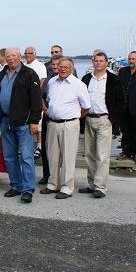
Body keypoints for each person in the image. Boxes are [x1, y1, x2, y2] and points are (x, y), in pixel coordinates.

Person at [0, 47, 42, 203]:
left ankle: (27, 189)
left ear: (20, 56)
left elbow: (36, 99)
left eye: (13, 56)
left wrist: (34, 121)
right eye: (8, 56)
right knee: (9, 157)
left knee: (26, 157)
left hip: (23, 123)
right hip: (5, 121)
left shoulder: (29, 74)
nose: (10, 58)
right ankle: (15, 185)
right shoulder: (2, 73)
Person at [42, 57, 91, 199]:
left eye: (66, 67)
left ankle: (67, 187)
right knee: (52, 156)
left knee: (68, 157)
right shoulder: (51, 82)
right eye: (60, 66)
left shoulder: (78, 84)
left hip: (69, 124)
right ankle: (53, 184)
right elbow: (48, 100)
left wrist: (74, 117)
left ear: (71, 68)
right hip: (52, 123)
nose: (62, 69)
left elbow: (86, 107)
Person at [80, 52, 124, 198]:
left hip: (104, 120)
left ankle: (100, 187)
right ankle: (92, 184)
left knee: (102, 155)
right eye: (96, 61)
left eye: (101, 61)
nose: (98, 63)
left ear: (106, 63)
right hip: (88, 119)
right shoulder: (86, 79)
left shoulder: (113, 80)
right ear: (93, 62)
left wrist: (113, 120)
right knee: (89, 154)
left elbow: (120, 102)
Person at [39, 58, 60, 184]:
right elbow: (41, 95)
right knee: (45, 147)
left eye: (58, 64)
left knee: (59, 150)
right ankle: (46, 175)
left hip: (61, 118)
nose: (55, 66)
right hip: (48, 116)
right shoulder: (48, 80)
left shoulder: (69, 79)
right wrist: (44, 107)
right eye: (53, 64)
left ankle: (58, 177)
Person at [24, 46, 48, 158]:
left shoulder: (40, 65)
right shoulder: (24, 65)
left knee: (39, 124)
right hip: (25, 98)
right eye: (26, 53)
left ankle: (39, 146)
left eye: (29, 53)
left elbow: (42, 80)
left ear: (34, 54)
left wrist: (34, 93)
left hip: (35, 97)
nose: (27, 55)